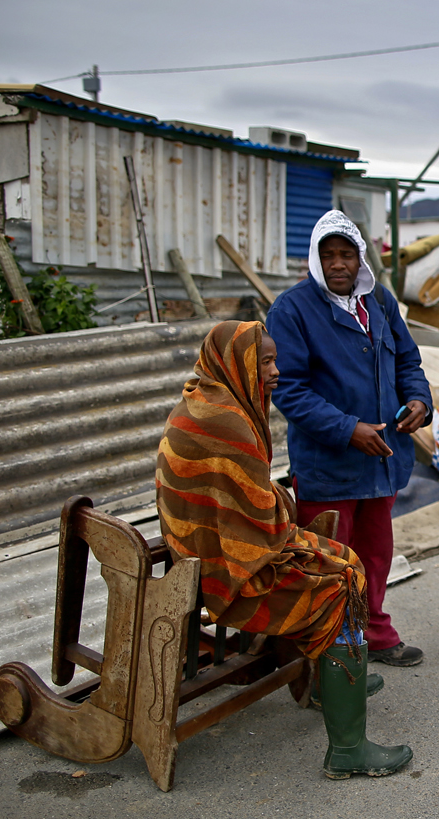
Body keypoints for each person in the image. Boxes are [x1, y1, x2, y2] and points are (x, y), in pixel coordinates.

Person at [156, 320, 412, 778]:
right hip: (225, 571)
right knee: (339, 584)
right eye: (266, 361)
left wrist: (276, 506)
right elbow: (261, 524)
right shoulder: (227, 424)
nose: (276, 371)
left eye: (275, 360)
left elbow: (251, 505)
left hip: (202, 553)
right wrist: (280, 508)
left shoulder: (204, 397)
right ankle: (348, 750)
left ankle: (325, 686)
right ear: (237, 363)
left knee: (344, 561)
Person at [265, 211, 433, 668]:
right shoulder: (292, 309)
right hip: (329, 465)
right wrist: (347, 430)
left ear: (361, 258)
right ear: (315, 261)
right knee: (329, 562)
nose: (338, 263)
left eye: (347, 254)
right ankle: (334, 647)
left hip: (381, 460)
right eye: (328, 255)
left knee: (376, 554)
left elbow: (409, 363)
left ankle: (374, 632)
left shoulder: (378, 301)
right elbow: (289, 388)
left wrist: (420, 400)